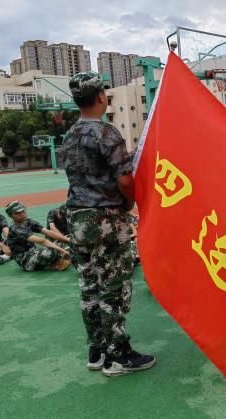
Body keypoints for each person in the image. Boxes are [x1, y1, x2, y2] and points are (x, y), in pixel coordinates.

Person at [59, 71, 155, 377]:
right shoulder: (106, 132)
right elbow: (124, 180)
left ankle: (97, 350)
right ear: (101, 97)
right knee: (114, 285)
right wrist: (128, 203)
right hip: (106, 219)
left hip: (77, 218)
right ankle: (118, 356)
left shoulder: (70, 135)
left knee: (88, 286)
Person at [5, 201, 71, 272]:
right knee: (50, 251)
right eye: (17, 213)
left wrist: (69, 240)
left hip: (34, 252)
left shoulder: (29, 222)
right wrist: (62, 251)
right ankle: (56, 262)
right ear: (11, 215)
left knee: (64, 240)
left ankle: (58, 259)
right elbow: (41, 241)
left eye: (22, 210)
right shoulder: (15, 228)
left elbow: (49, 232)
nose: (22, 214)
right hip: (26, 261)